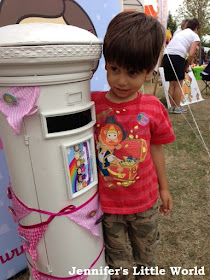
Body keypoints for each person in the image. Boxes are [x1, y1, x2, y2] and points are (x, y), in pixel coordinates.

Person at [91, 11, 175, 280]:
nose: (122, 80)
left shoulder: (153, 108)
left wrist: (163, 188)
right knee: (117, 261)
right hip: (108, 206)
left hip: (145, 204)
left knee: (146, 256)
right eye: (115, 69)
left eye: (133, 72)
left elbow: (156, 148)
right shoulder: (91, 104)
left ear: (150, 71)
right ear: (105, 64)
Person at [162, 18, 200, 114]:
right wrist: (187, 67)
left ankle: (172, 107)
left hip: (166, 56)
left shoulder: (180, 33)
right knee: (178, 84)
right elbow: (191, 54)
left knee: (172, 84)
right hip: (177, 57)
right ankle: (177, 107)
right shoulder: (195, 36)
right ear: (196, 28)